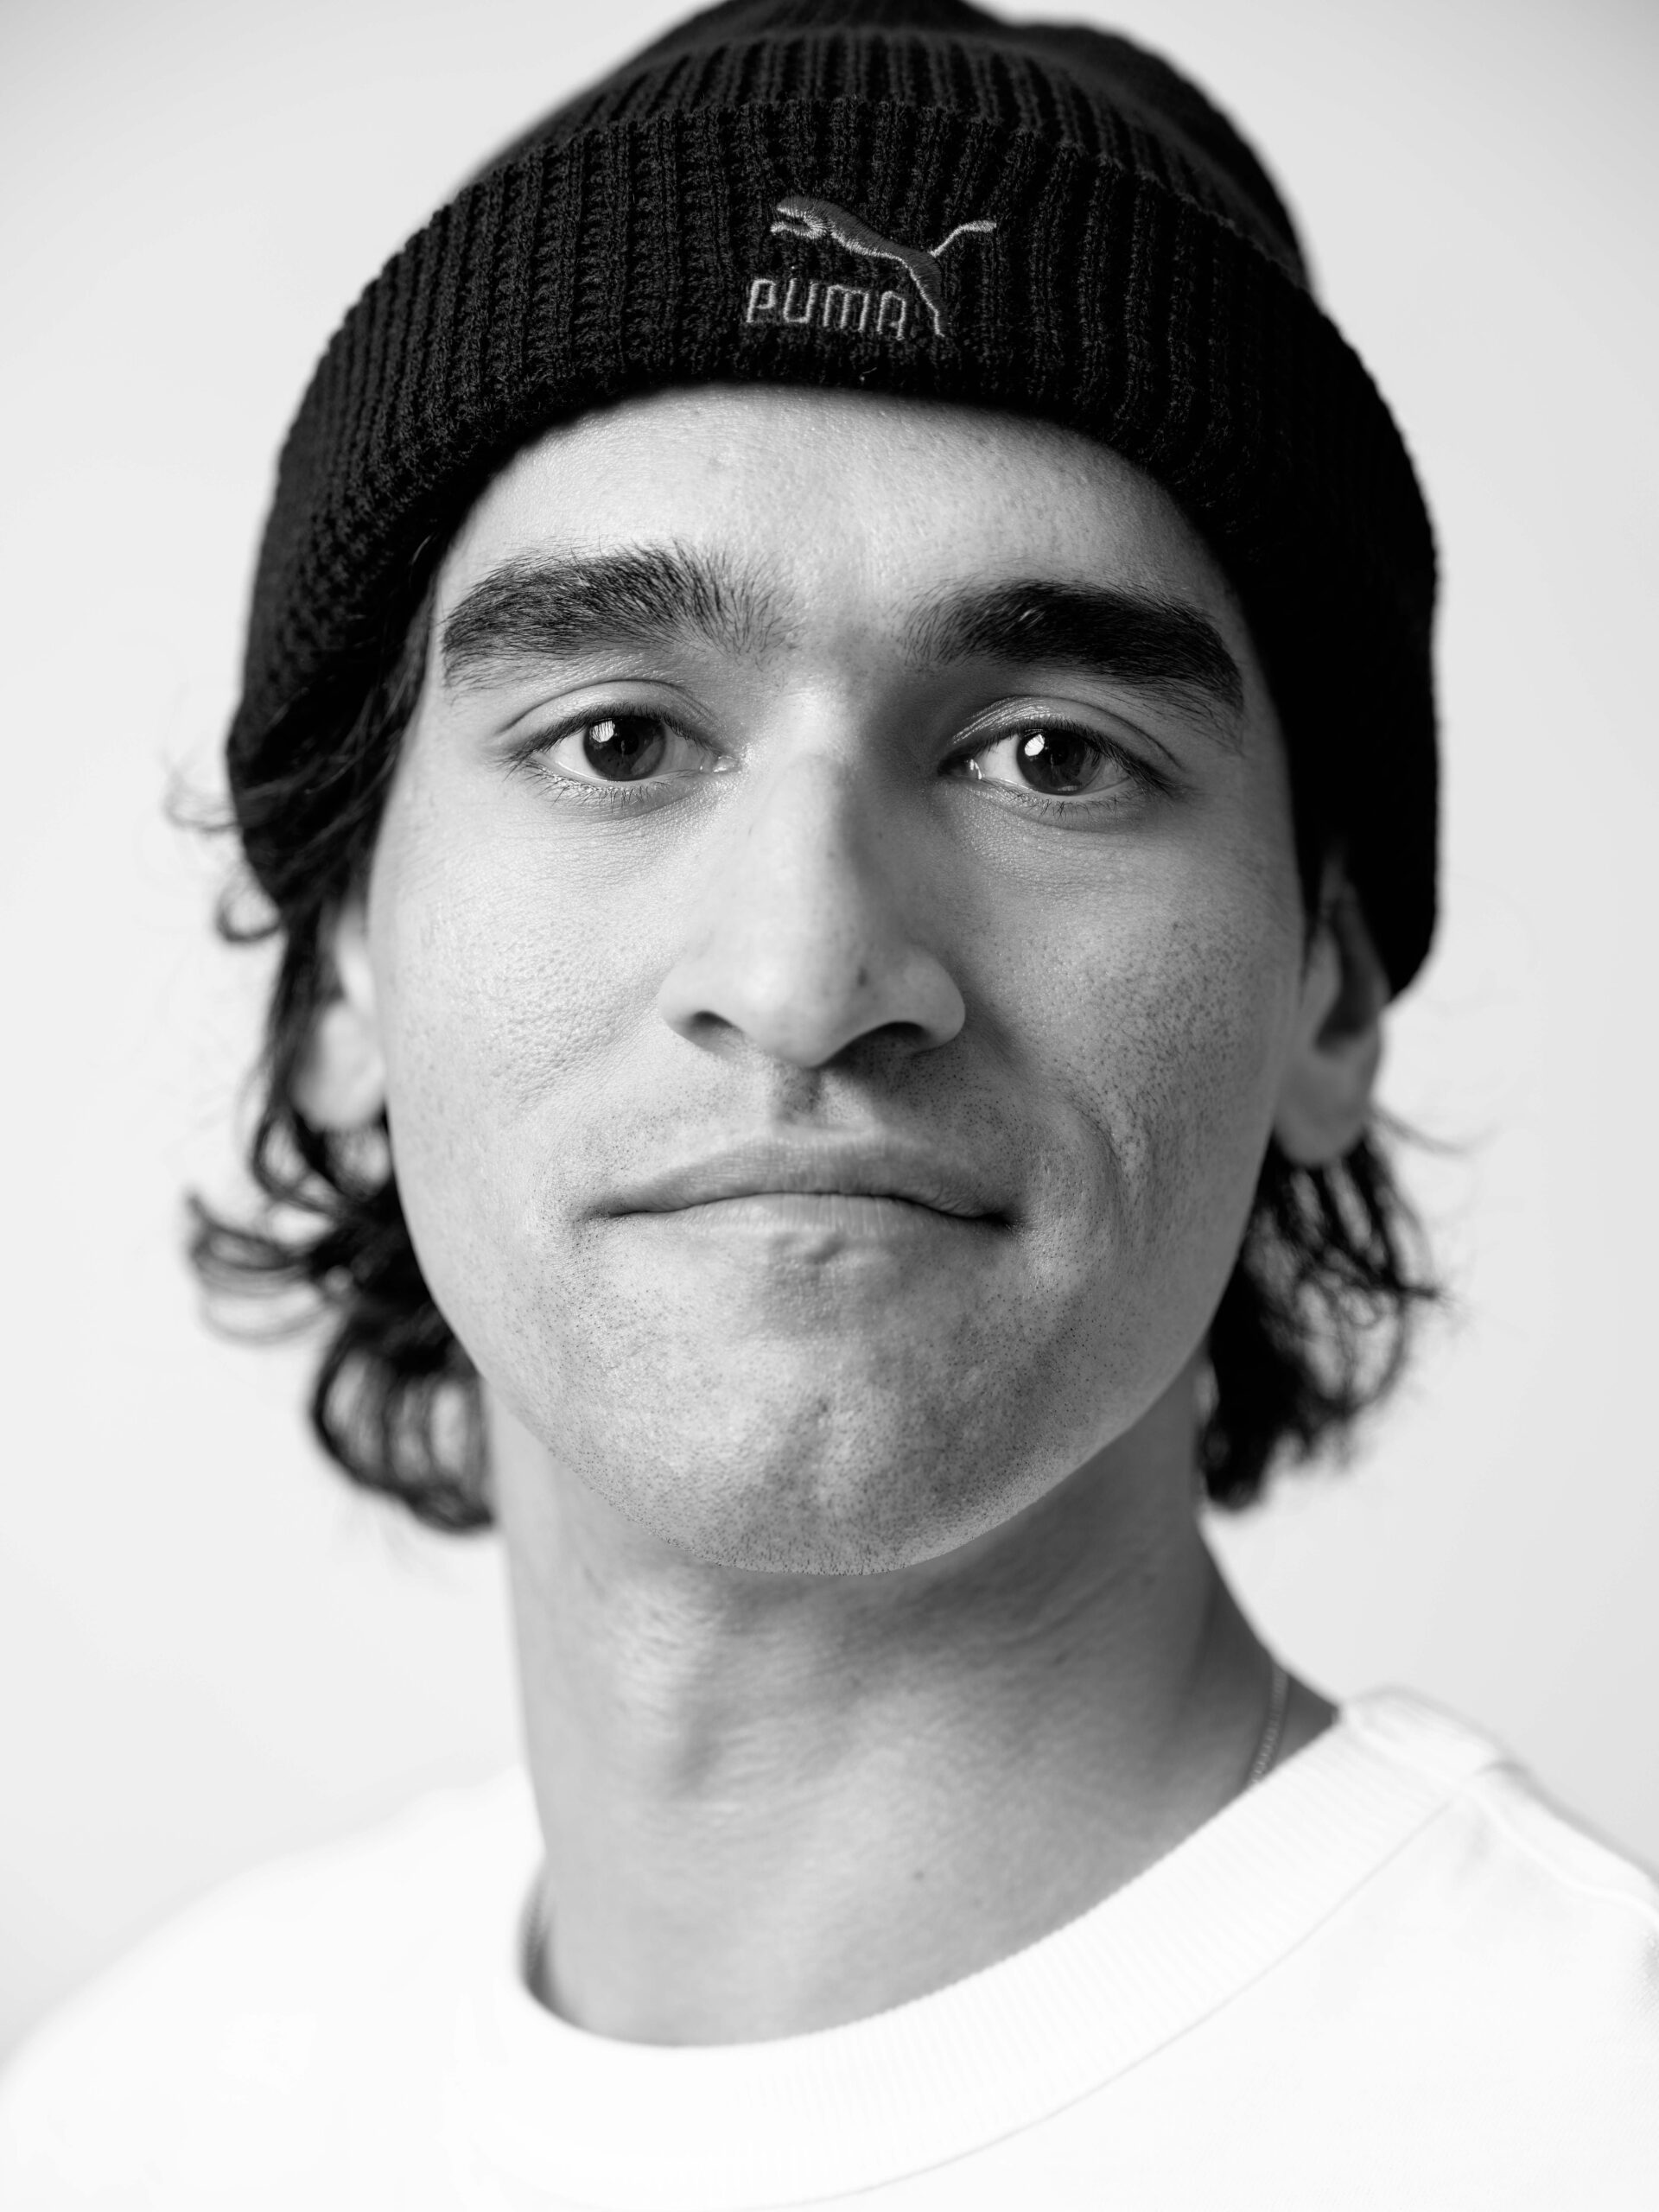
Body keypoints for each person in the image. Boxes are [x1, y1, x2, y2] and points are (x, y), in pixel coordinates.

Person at [3, 0, 1655, 2203]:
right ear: (341, 968)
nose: (805, 974)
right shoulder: (130, 2119)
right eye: (616, 738)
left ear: (1328, 989)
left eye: (1053, 754)